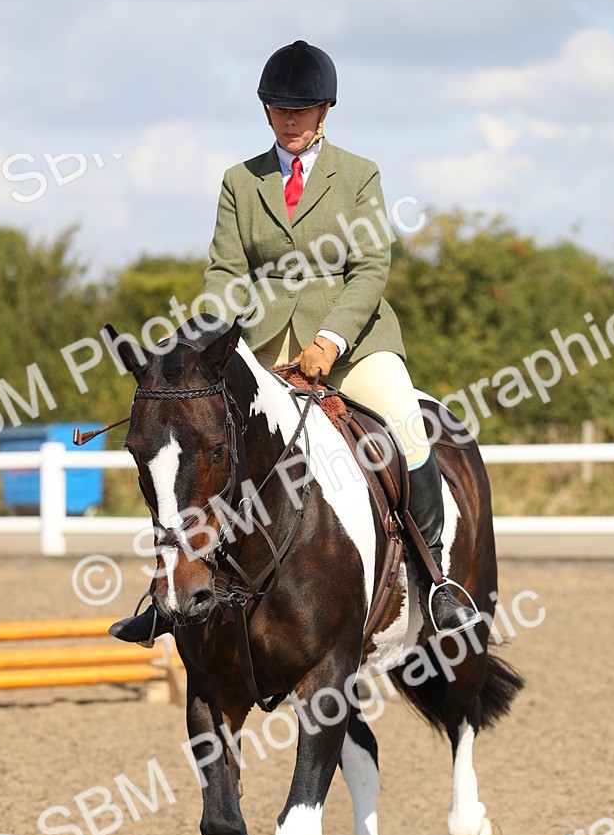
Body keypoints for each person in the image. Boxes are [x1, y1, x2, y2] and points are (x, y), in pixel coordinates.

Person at [111, 40, 478, 645]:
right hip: (261, 340)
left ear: (324, 110)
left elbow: (369, 267)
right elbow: (226, 273)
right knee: (195, 437)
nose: (291, 120)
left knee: (408, 424)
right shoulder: (240, 180)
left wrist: (331, 339)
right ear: (266, 110)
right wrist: (207, 341)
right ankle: (171, 585)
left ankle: (435, 579)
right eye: (280, 109)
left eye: (301, 110)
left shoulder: (358, 174)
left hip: (353, 338)